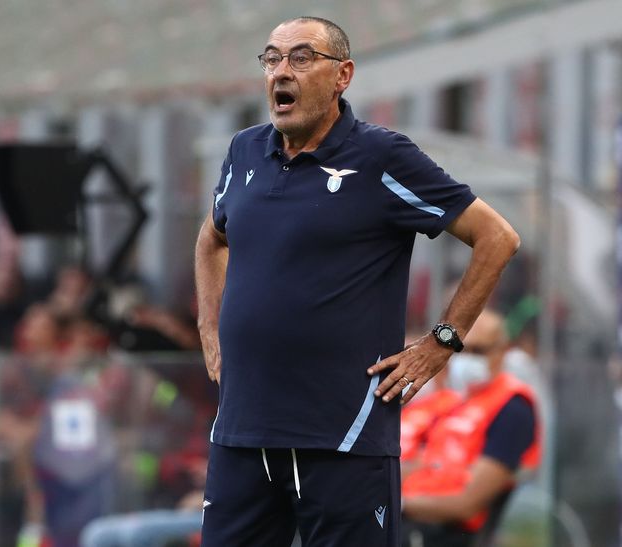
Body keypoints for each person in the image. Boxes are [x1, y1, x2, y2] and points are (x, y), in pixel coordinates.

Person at [193, 15, 520, 546]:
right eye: (272, 58)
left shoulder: (380, 157)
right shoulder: (245, 151)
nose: (282, 71)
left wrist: (442, 342)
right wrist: (210, 325)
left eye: (301, 57)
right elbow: (212, 238)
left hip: (342, 436)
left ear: (342, 75)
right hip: (241, 433)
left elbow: (497, 237)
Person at [401, 310, 540, 546]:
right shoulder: (451, 401)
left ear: (503, 351)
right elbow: (415, 463)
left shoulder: (513, 408)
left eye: (478, 350)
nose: (465, 358)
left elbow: (468, 504)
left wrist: (398, 504)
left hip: (446, 533)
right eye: (460, 349)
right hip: (411, 521)